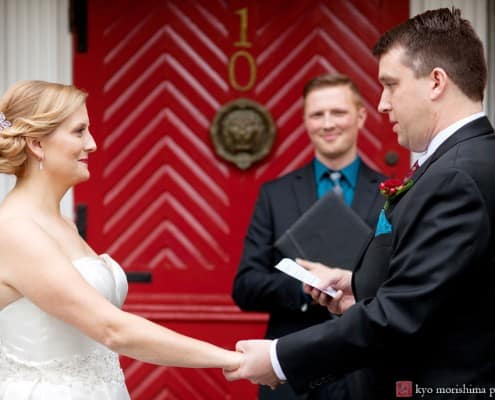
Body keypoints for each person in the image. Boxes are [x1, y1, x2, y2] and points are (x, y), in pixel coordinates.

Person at [225, 7, 495, 399]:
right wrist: (357, 284)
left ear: (436, 82)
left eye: (390, 85)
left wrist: (280, 358)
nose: (383, 103)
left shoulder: (455, 175)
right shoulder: (458, 163)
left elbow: (403, 313)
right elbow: (437, 283)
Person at [0, 80, 241, 399]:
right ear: (37, 144)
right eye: (79, 131)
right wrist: (232, 360)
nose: (92, 144)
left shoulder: (62, 225)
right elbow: (112, 329)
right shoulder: (16, 229)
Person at [231, 73, 385, 400]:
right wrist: (305, 287)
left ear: (360, 116)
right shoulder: (276, 194)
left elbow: (401, 280)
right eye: (317, 114)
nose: (327, 123)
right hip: (289, 374)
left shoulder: (391, 194)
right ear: (305, 121)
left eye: (338, 112)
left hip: (365, 371)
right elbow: (245, 285)